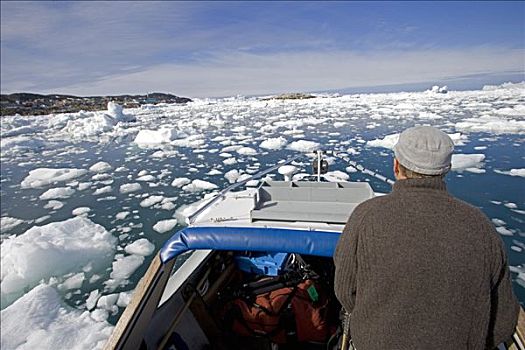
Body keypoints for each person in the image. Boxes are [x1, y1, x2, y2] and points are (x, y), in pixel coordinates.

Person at [334, 126, 519, 349]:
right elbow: (503, 319)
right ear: (446, 170)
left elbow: (345, 291)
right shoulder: (480, 225)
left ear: (396, 166)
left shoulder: (365, 216)